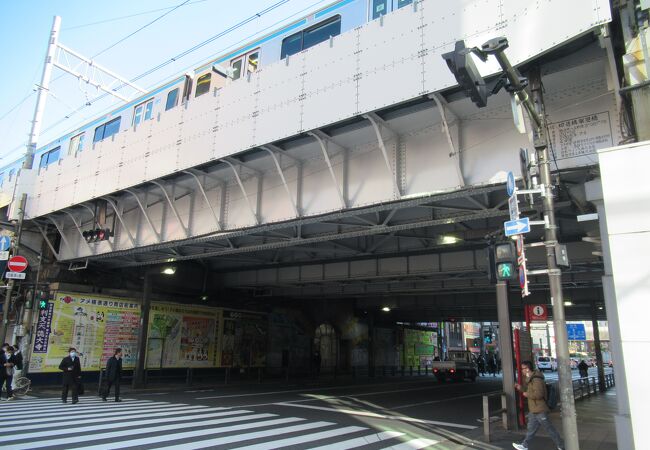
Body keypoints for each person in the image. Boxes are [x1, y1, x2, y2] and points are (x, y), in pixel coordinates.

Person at [513, 360, 564, 450]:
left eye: (522, 369)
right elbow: (529, 390)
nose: (521, 370)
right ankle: (524, 445)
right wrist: (520, 388)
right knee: (531, 429)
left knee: (549, 429)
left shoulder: (536, 379)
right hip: (534, 409)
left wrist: (526, 394)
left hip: (540, 409)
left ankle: (561, 446)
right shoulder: (530, 379)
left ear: (527, 369)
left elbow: (539, 394)